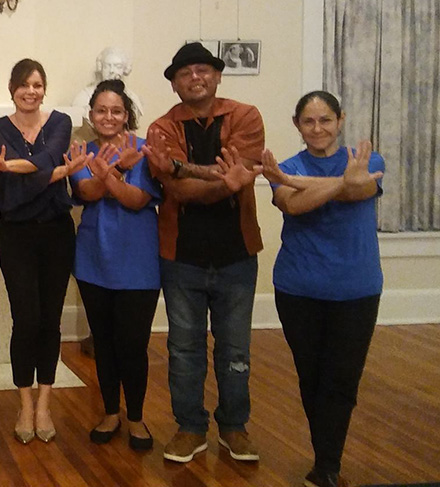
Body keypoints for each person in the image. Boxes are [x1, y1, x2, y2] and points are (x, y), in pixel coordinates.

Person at [143, 41, 266, 463]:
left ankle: (234, 426)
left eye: (202, 70)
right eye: (184, 73)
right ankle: (189, 427)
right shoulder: (160, 128)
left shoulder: (246, 116)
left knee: (235, 349)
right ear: (175, 85)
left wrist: (186, 168)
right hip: (181, 256)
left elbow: (244, 169)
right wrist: (220, 179)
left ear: (216, 76)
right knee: (183, 348)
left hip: (237, 254)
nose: (194, 78)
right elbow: (177, 189)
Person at [261, 91, 384, 487]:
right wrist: (335, 184)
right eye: (309, 122)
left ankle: (327, 466)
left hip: (356, 289)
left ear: (340, 120)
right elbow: (293, 206)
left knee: (342, 379)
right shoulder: (286, 165)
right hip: (299, 288)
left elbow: (360, 190)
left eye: (326, 120)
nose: (318, 128)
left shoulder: (366, 160)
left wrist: (300, 184)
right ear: (297, 124)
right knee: (312, 378)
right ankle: (325, 459)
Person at [0, 58, 82, 444]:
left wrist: (11, 168)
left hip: (57, 232)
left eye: (37, 84)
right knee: (25, 320)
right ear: (12, 89)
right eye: (24, 84)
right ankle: (24, 404)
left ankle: (44, 403)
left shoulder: (59, 123)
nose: (31, 91)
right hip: (16, 235)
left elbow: (46, 159)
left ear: (44, 88)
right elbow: (47, 170)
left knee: (50, 320)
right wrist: (56, 174)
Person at [70, 79, 161, 451]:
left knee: (133, 345)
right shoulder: (80, 151)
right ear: (91, 115)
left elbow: (137, 200)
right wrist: (109, 174)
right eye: (101, 110)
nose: (108, 116)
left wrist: (108, 173)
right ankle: (110, 412)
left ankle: (136, 418)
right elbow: (86, 192)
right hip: (94, 259)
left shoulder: (145, 151)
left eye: (116, 111)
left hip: (138, 263)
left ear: (127, 115)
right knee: (103, 343)